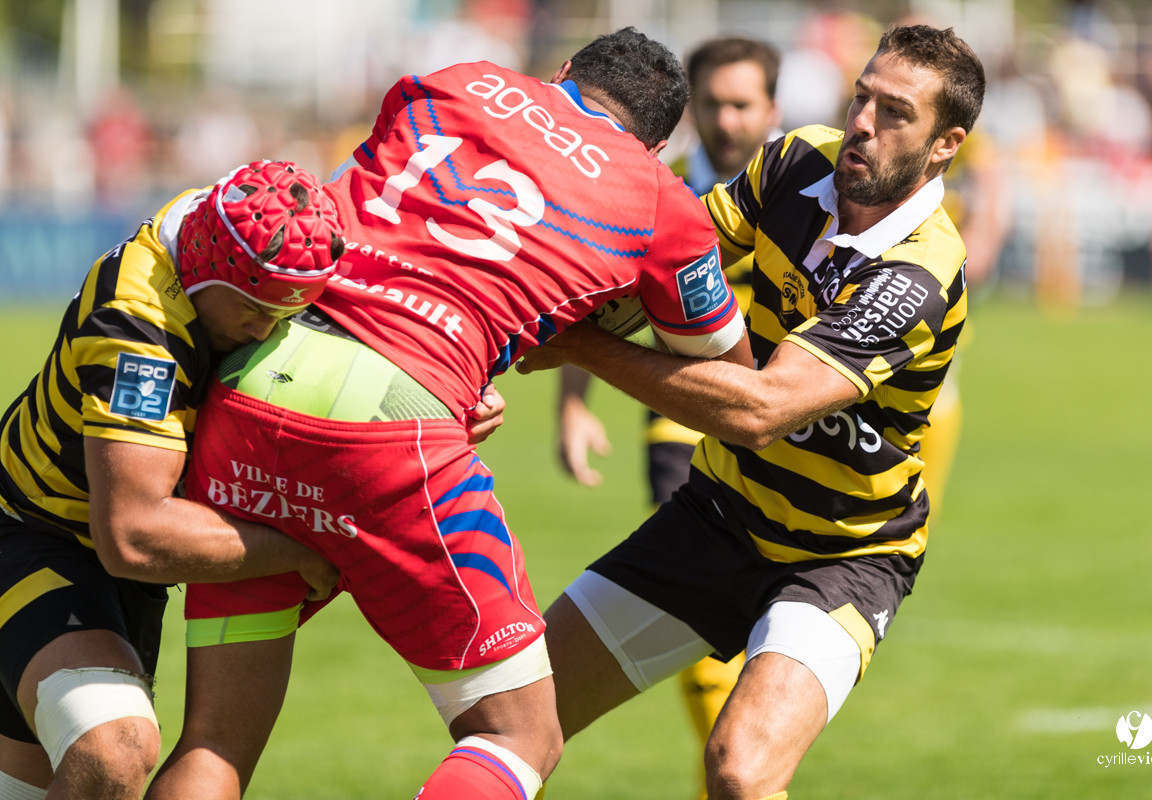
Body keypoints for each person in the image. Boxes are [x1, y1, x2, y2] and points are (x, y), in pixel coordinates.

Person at [145, 27, 748, 800]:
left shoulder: (463, 78)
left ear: (562, 73)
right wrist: (599, 326)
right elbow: (727, 377)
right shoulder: (661, 198)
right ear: (659, 146)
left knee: (216, 741)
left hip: (257, 383)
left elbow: (365, 208)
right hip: (398, 418)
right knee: (519, 733)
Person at [517, 24, 985, 800]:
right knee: (512, 716)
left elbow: (762, 410)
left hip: (841, 557)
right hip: (718, 515)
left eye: (894, 112)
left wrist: (581, 351)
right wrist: (510, 321)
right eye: (861, 95)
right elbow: (671, 258)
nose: (863, 122)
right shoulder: (798, 159)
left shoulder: (919, 276)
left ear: (945, 144)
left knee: (740, 768)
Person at [0, 160, 346, 800]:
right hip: (30, 538)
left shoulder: (233, 227)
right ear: (209, 270)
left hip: (112, 568)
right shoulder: (137, 328)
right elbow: (134, 535)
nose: (264, 331)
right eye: (250, 308)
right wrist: (306, 549)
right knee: (114, 747)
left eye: (284, 312)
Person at [554, 34, 781, 797]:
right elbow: (597, 299)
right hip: (678, 414)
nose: (725, 119)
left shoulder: (792, 194)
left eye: (741, 103)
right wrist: (574, 407)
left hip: (777, 416)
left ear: (771, 109)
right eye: (712, 103)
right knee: (697, 601)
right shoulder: (659, 186)